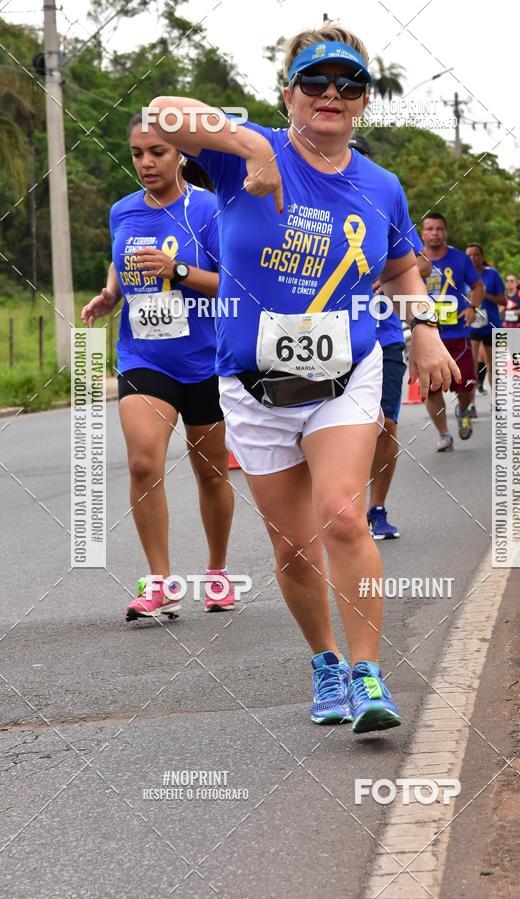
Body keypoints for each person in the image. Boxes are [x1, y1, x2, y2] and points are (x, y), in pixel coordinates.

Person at [150, 25, 458, 733]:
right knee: (291, 548)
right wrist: (255, 148)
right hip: (253, 380)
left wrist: (426, 330)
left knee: (344, 514)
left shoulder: (381, 185)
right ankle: (324, 659)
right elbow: (163, 111)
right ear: (287, 92)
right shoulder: (239, 158)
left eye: (349, 83)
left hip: (343, 372)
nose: (331, 93)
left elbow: (400, 266)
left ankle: (367, 671)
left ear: (363, 103)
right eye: (315, 80)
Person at [81, 113, 235, 619]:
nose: (146, 163)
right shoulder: (122, 210)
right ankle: (161, 581)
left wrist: (180, 271)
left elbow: (233, 284)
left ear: (182, 154)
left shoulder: (210, 209)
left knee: (211, 474)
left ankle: (216, 573)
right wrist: (111, 292)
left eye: (158, 153)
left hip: (205, 358)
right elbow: (122, 258)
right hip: (143, 355)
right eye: (137, 154)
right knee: (144, 461)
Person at [349, 136, 432, 540]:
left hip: (384, 338)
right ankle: (340, 508)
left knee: (385, 425)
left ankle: (376, 508)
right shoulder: (311, 205)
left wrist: (388, 273)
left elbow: (420, 262)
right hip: (332, 341)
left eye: (358, 158)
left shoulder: (382, 201)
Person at [421, 214, 484, 451]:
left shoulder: (459, 259)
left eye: (439, 228)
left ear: (445, 232)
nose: (434, 232)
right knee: (431, 388)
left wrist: (471, 307)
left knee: (466, 384)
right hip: (427, 335)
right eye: (429, 228)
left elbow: (478, 286)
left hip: (457, 333)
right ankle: (444, 434)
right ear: (422, 233)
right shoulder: (414, 260)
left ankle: (463, 409)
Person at [465, 243, 505, 414]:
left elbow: (503, 301)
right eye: (469, 255)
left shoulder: (492, 274)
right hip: (472, 325)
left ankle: (496, 401)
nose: (473, 258)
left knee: (493, 365)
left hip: (492, 324)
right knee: (471, 365)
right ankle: (471, 404)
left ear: (482, 257)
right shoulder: (462, 276)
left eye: (476, 255)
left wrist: (482, 294)